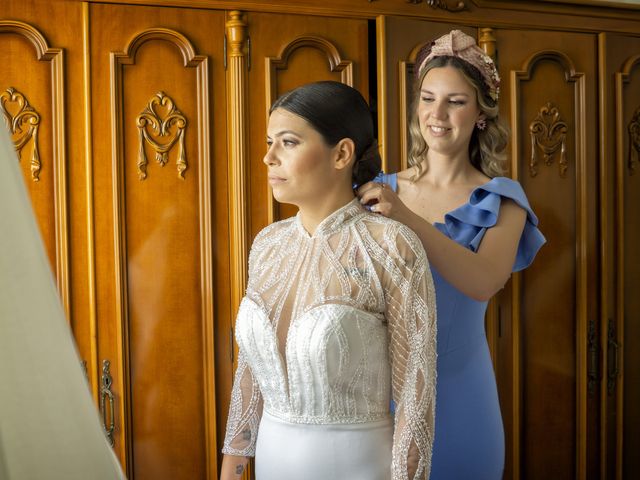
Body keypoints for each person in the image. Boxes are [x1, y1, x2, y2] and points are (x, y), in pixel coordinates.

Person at [220, 81, 437, 480]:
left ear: (341, 153)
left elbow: (415, 392)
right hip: (271, 463)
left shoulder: (392, 246)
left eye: (287, 142)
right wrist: (232, 466)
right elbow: (249, 369)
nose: (268, 157)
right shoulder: (268, 244)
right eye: (269, 142)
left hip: (357, 465)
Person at [358, 30, 546, 479]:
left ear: (481, 113)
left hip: (463, 398)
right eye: (427, 98)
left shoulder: (503, 201)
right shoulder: (376, 190)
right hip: (379, 400)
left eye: (456, 102)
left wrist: (405, 216)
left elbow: (484, 280)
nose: (437, 114)